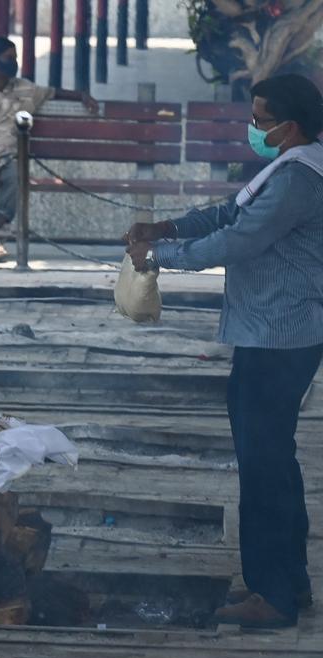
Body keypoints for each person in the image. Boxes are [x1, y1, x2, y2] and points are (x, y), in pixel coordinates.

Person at [126, 73, 323, 629]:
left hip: (279, 336)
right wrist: (167, 223)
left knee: (262, 464)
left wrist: (159, 254)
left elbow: (237, 240)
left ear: (290, 126)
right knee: (275, 459)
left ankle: (274, 594)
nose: (253, 128)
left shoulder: (297, 180)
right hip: (273, 331)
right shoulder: (290, 165)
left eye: (261, 120)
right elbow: (228, 212)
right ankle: (289, 580)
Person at [0, 37, 98, 261]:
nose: (14, 62)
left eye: (15, 57)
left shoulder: (25, 88)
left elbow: (53, 92)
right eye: (9, 58)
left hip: (5, 156)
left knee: (19, 174)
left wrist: (82, 95)